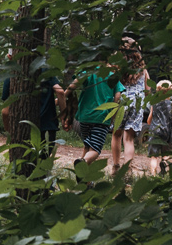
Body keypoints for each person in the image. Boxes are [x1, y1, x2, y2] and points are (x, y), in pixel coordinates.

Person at [59, 55, 122, 167]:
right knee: (95, 150)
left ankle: (84, 181)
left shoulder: (87, 73)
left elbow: (74, 84)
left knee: (87, 146)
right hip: (101, 118)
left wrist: (62, 96)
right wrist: (113, 116)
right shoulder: (113, 77)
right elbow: (117, 97)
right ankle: (82, 163)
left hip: (84, 116)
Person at [112, 37, 150, 176]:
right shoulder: (143, 69)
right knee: (128, 139)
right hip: (137, 103)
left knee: (116, 135)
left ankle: (116, 167)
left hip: (120, 102)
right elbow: (148, 89)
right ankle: (127, 171)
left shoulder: (117, 66)